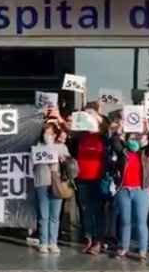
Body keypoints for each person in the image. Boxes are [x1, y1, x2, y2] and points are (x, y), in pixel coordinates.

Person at [67, 103, 109, 255]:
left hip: (98, 179)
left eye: (90, 114)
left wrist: (97, 115)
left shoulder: (103, 137)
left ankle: (98, 240)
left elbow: (107, 128)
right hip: (82, 178)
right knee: (85, 210)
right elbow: (69, 132)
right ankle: (88, 238)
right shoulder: (81, 136)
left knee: (97, 210)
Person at [111, 127, 149, 261]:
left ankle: (143, 251)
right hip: (124, 190)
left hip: (141, 191)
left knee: (141, 222)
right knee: (125, 221)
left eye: (135, 138)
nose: (133, 141)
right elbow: (114, 141)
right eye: (130, 138)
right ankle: (124, 247)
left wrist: (147, 129)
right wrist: (120, 129)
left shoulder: (144, 153)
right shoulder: (123, 153)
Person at [33, 122, 71, 254]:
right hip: (42, 183)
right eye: (45, 133)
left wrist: (63, 160)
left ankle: (53, 242)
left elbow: (69, 164)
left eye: (50, 133)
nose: (47, 136)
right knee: (43, 215)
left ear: (55, 135)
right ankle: (43, 242)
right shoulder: (38, 147)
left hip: (57, 183)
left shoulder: (61, 147)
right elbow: (32, 162)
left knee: (54, 215)